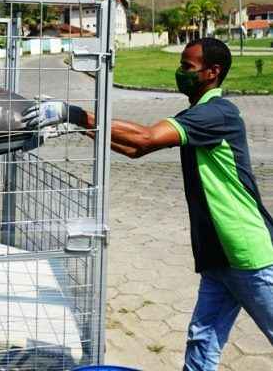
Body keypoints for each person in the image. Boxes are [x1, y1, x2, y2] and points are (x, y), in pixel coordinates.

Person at [22, 37, 273, 371]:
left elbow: (144, 136)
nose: (180, 73)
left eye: (188, 67)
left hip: (248, 254)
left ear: (212, 73)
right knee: (202, 341)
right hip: (217, 255)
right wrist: (77, 126)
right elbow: (137, 150)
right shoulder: (197, 115)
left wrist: (77, 114)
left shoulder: (218, 114)